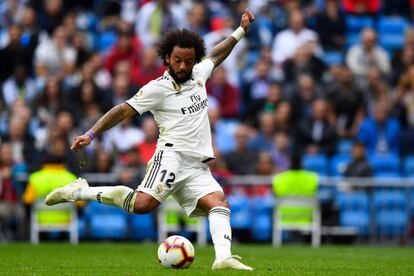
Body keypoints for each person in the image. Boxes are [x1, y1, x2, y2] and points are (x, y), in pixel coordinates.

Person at [45, 10, 256, 271]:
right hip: (171, 157)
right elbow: (122, 109)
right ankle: (80, 190)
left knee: (219, 203)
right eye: (177, 60)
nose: (182, 66)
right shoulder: (157, 89)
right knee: (142, 205)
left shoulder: (199, 73)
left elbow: (216, 54)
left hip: (196, 164)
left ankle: (222, 257)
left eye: (187, 61)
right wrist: (91, 134)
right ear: (167, 58)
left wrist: (240, 31)